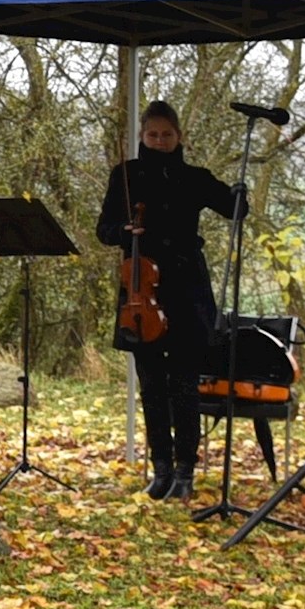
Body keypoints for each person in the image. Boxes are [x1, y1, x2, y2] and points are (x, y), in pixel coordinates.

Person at [98, 103, 242, 502]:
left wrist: (238, 190)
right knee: (151, 387)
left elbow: (235, 210)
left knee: (183, 386)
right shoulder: (124, 176)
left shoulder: (193, 178)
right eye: (152, 135)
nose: (160, 141)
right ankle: (159, 468)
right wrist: (124, 231)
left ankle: (185, 471)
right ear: (142, 136)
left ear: (179, 137)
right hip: (140, 292)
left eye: (167, 135)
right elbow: (104, 230)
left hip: (185, 290)